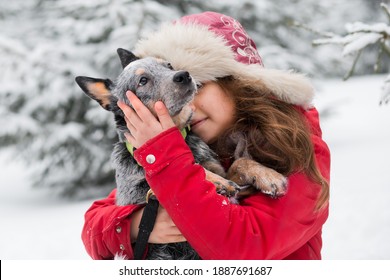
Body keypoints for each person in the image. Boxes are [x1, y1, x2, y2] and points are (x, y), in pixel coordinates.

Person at [81, 11, 330, 260]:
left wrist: (165, 157)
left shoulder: (296, 149)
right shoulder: (198, 143)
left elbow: (240, 248)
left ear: (237, 83)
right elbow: (94, 223)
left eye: (195, 85)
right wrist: (138, 224)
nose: (186, 104)